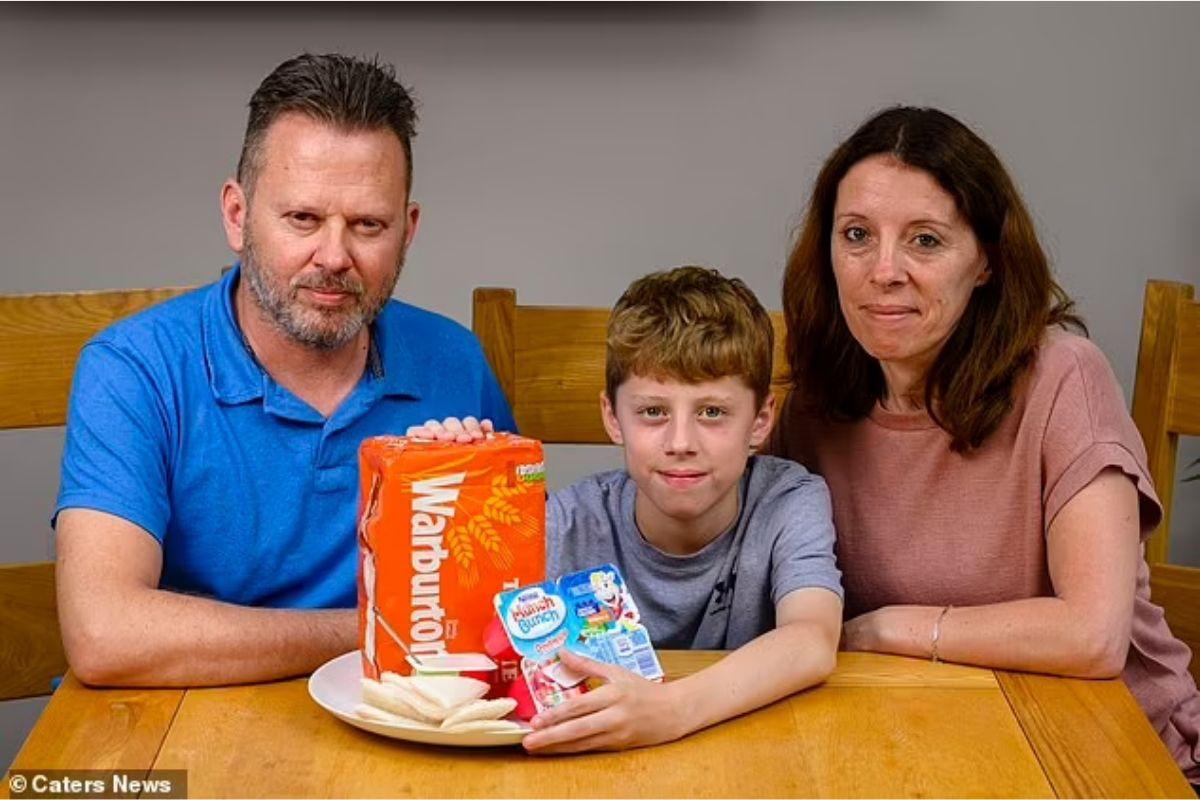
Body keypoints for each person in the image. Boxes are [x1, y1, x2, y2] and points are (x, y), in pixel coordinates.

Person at [52, 53, 515, 688]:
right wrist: (375, 628)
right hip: (181, 724)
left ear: (407, 231)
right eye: (302, 218)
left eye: (368, 225)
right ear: (237, 217)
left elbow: (502, 609)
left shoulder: (454, 362)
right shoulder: (133, 370)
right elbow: (105, 635)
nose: (334, 256)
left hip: (398, 733)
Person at [769, 105, 1200, 782]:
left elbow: (1092, 635)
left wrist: (879, 630)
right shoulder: (813, 408)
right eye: (857, 235)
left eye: (926, 241)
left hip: (1108, 758)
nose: (884, 270)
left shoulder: (1064, 377)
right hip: (921, 751)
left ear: (987, 264)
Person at [524, 266, 843, 752]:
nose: (680, 443)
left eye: (712, 412)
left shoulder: (788, 502)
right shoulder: (568, 523)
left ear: (760, 422)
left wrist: (670, 711)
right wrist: (443, 470)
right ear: (614, 418)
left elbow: (812, 641)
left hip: (755, 753)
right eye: (653, 412)